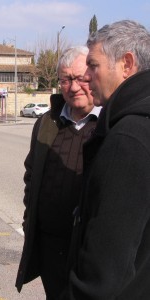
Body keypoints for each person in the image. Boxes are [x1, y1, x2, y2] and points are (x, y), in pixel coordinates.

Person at [60, 20, 150, 299]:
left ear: (126, 64)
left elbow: (105, 270)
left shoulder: (129, 138)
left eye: (94, 65)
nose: (86, 76)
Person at [15, 46, 101, 299]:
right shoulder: (46, 123)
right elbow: (31, 174)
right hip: (50, 246)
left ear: (94, 77)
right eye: (66, 79)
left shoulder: (110, 124)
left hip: (88, 250)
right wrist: (30, 221)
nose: (73, 87)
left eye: (81, 78)